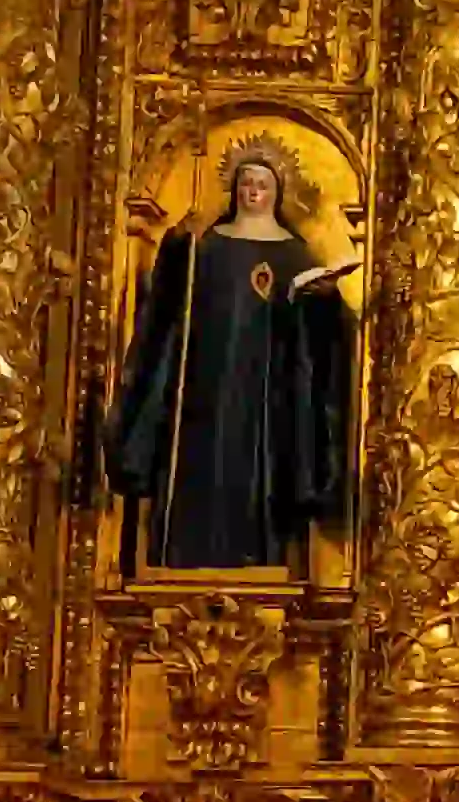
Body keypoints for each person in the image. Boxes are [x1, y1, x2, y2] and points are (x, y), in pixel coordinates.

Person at [106, 143, 358, 570]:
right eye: (245, 183)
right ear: (233, 189)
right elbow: (167, 304)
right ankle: (184, 563)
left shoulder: (294, 253)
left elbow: (322, 339)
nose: (252, 191)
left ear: (277, 192)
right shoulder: (205, 245)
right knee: (202, 471)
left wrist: (323, 301)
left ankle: (263, 564)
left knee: (262, 480)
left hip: (269, 396)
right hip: (206, 389)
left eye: (261, 184)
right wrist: (178, 243)